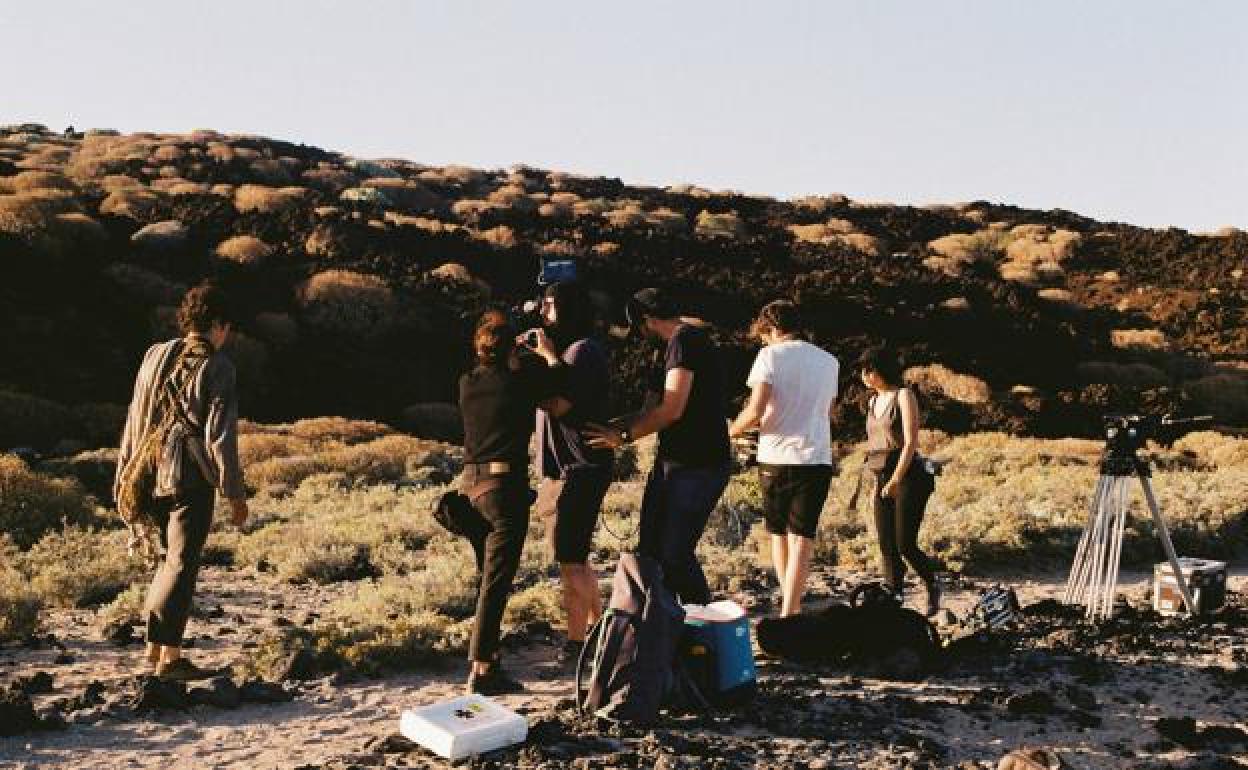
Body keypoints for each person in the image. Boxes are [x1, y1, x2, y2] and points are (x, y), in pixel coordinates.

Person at [114, 283, 249, 681]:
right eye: (227, 329)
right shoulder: (219, 366)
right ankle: (171, 657)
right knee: (182, 562)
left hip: (144, 471)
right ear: (220, 325)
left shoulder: (154, 354)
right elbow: (220, 435)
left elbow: (134, 416)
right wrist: (234, 493)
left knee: (165, 562)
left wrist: (124, 473)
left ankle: (154, 650)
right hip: (187, 476)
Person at [585, 287, 731, 606]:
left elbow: (671, 409)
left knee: (675, 554)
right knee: (651, 549)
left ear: (648, 320)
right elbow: (650, 408)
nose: (639, 336)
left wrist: (623, 438)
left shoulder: (684, 341)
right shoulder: (669, 348)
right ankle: (666, 628)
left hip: (698, 464)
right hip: (674, 464)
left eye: (639, 328)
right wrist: (613, 425)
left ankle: (704, 626)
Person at [457, 311, 564, 695]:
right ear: (509, 351)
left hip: (471, 487)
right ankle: (482, 669)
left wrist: (511, 354)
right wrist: (548, 354)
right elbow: (559, 382)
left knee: (488, 577)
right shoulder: (519, 381)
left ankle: (491, 659)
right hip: (505, 490)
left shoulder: (468, 382)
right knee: (495, 583)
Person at [728, 300, 839, 617]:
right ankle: (792, 608)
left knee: (778, 533)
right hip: (816, 455)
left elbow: (757, 408)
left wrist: (732, 432)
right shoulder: (829, 361)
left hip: (776, 455)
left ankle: (787, 607)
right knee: (803, 537)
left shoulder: (769, 356)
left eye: (764, 334)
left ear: (773, 328)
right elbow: (827, 411)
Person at [532, 282, 613, 663]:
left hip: (577, 469)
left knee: (570, 562)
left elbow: (560, 405)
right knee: (576, 559)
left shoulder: (581, 352)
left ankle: (579, 642)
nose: (543, 314)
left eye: (550, 306)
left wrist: (545, 361)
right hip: (570, 469)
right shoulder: (573, 352)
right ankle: (601, 632)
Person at [858, 345, 940, 616]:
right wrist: (877, 483)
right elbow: (873, 446)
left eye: (871, 370)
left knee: (905, 543)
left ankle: (931, 583)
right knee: (887, 546)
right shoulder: (870, 401)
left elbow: (910, 442)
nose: (866, 376)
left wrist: (895, 479)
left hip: (908, 474)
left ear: (883, 370)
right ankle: (894, 597)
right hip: (881, 472)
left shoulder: (903, 396)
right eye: (864, 371)